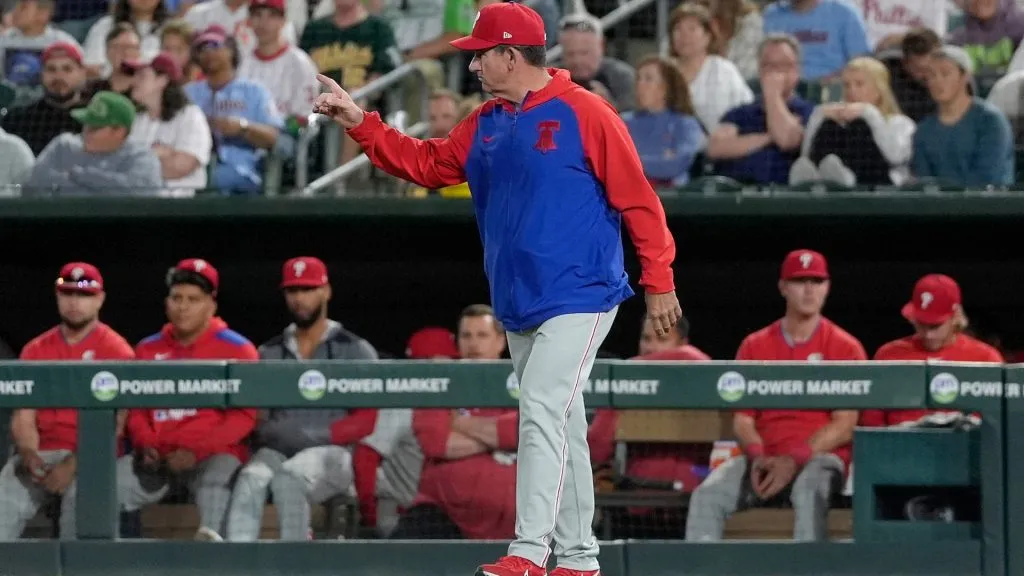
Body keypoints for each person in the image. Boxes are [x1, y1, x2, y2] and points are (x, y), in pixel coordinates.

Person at [312, 3, 681, 575]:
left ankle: (530, 552)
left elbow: (640, 201)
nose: (475, 64)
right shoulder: (484, 121)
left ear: (512, 55)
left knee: (539, 408)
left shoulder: (587, 111)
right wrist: (359, 120)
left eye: (482, 54)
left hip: (582, 293)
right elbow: (427, 163)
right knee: (563, 423)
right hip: (518, 299)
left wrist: (659, 283)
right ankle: (581, 559)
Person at [685, 249, 866, 542]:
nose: (809, 290)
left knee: (809, 490)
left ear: (828, 287)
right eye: (799, 281)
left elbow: (845, 423)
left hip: (818, 458)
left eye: (816, 281)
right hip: (763, 459)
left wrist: (795, 459)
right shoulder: (755, 345)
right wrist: (757, 455)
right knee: (707, 495)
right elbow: (743, 418)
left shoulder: (845, 347)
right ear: (783, 287)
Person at [226, 256, 379, 542]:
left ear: (326, 291)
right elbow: (258, 417)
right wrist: (281, 433)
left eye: (308, 290)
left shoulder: (355, 349)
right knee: (250, 479)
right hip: (278, 450)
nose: (300, 299)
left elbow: (367, 419)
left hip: (334, 454)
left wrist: (316, 434)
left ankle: (294, 567)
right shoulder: (269, 351)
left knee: (289, 478)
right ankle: (237, 565)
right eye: (293, 291)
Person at [118, 258, 260, 542]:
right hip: (157, 458)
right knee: (106, 486)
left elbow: (244, 417)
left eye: (193, 299)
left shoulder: (238, 348)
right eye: (177, 298)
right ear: (166, 302)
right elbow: (135, 409)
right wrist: (146, 444)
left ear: (211, 304)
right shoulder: (148, 348)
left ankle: (212, 559)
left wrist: (195, 451)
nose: (183, 307)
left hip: (212, 456)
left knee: (216, 483)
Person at [0, 262, 134, 541]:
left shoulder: (116, 349)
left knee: (81, 498)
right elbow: (24, 416)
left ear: (100, 299)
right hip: (44, 452)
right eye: (68, 294)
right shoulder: (37, 349)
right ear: (57, 297)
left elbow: (117, 425)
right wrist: (29, 454)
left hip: (94, 458)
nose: (75, 302)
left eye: (84, 295)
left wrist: (73, 465)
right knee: (8, 489)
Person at [862, 274, 1003, 427]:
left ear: (955, 317)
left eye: (935, 326)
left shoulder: (985, 358)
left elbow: (999, 426)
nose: (928, 334)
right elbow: (872, 424)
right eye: (921, 324)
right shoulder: (888, 355)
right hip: (901, 447)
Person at [789, 56, 915, 187]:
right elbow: (805, 155)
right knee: (829, 126)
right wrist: (817, 116)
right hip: (835, 184)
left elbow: (895, 157)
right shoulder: (838, 123)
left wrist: (869, 113)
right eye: (847, 85)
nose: (851, 91)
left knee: (859, 126)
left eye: (859, 84)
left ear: (879, 89)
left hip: (880, 185)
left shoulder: (900, 122)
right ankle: (823, 180)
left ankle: (846, 178)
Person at [624, 54, 706, 188]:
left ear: (666, 87)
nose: (640, 84)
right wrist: (660, 158)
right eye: (638, 78)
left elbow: (675, 165)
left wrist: (630, 162)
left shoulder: (686, 125)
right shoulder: (622, 122)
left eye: (648, 79)